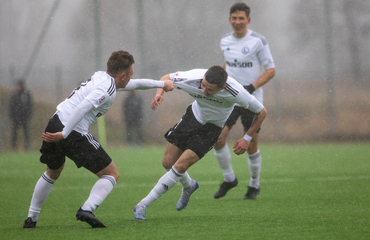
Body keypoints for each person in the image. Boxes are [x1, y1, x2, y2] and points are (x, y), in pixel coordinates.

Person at [23, 50, 174, 228]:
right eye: (131, 74)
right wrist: (64, 133)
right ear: (123, 75)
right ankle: (87, 208)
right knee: (111, 174)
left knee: (52, 172)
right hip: (71, 130)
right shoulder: (107, 89)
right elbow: (82, 107)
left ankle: (31, 218)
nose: (132, 77)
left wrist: (161, 84)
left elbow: (136, 84)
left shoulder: (101, 77)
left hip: (55, 122)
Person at [133, 66, 267, 221]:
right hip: (191, 118)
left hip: (212, 129)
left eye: (210, 89)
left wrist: (247, 138)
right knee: (167, 163)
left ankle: (143, 204)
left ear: (222, 87)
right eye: (203, 85)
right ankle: (189, 185)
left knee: (180, 166)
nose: (204, 90)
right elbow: (164, 78)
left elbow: (261, 112)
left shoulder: (236, 91)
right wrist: (159, 94)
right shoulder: (193, 77)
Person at [213, 3, 275, 200]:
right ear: (229, 19)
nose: (237, 22)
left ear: (248, 20)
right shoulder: (225, 41)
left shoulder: (258, 41)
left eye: (241, 19)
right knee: (217, 138)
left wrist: (252, 87)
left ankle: (254, 185)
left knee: (251, 145)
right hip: (229, 98)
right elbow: (228, 64)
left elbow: (271, 70)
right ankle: (229, 179)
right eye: (234, 18)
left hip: (251, 99)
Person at [8, 79, 33, 151]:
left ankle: (27, 147)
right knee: (14, 132)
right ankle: (13, 147)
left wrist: (28, 115)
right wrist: (12, 116)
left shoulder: (26, 94)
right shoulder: (15, 94)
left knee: (26, 132)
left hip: (24, 117)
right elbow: (11, 106)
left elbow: (30, 106)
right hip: (16, 117)